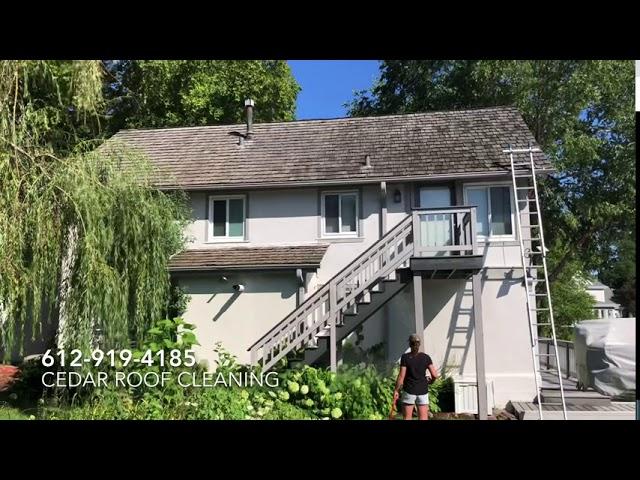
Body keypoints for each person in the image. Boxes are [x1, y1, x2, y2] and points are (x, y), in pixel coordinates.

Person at [393, 334, 439, 420]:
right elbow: (435, 375)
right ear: (419, 344)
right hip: (423, 391)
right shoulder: (426, 357)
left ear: (410, 344)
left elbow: (401, 376)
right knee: (423, 418)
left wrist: (396, 390)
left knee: (407, 417)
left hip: (409, 390)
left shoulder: (405, 357)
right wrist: (431, 381)